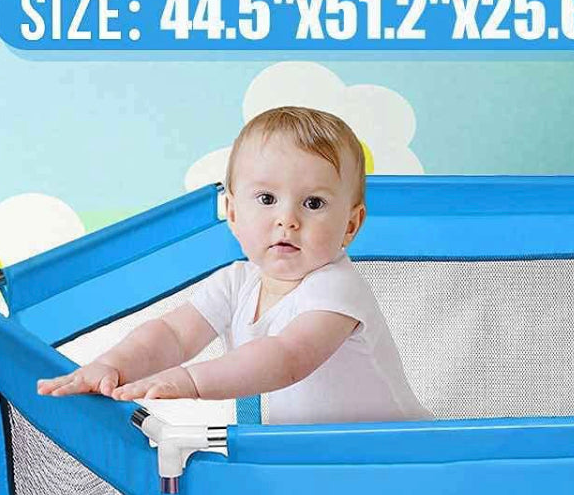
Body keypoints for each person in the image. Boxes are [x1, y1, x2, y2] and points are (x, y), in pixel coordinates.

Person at [36, 106, 430, 424]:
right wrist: (113, 365)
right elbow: (172, 334)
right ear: (233, 213)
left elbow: (287, 357)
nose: (287, 220)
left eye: (313, 203)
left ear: (350, 225)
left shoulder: (336, 287)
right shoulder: (236, 283)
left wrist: (191, 380)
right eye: (266, 199)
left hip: (404, 459)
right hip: (320, 461)